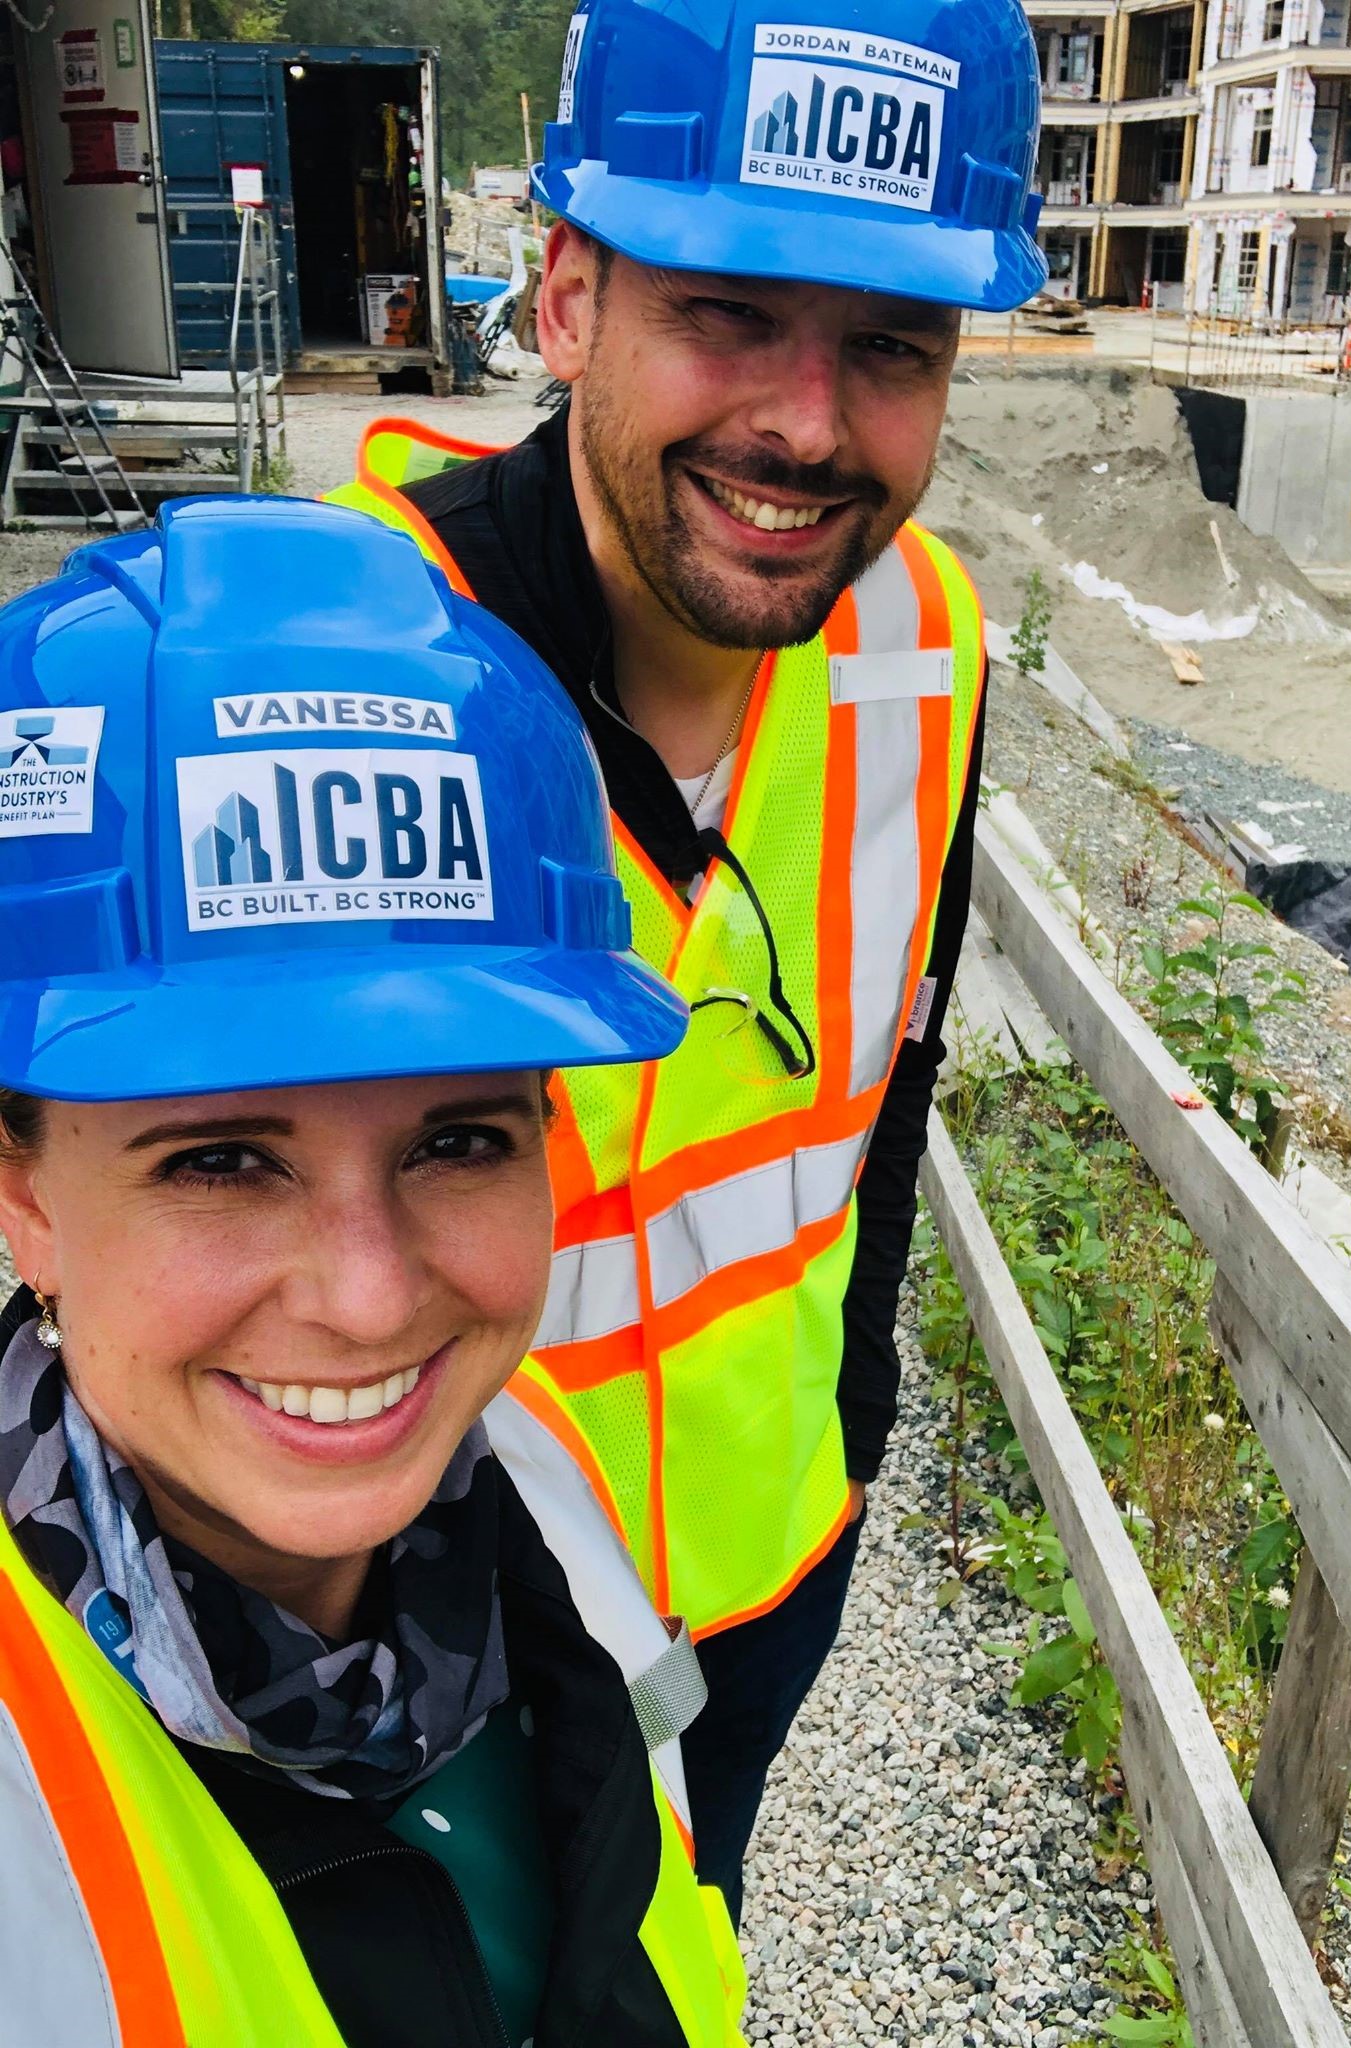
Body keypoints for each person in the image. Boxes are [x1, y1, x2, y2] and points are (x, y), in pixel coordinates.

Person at [329, 0, 1047, 1921]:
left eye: (888, 345)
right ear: (566, 303)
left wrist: (854, 1456)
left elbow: (883, 1105)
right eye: (728, 310)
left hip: (757, 1584)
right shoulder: (338, 675)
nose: (807, 425)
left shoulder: (924, 649)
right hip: (424, 1650)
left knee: (679, 1955)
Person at [0, 496, 747, 2046]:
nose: (366, 1296)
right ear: (24, 1197)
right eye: (219, 1162)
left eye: (459, 1143)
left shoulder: (545, 1486)